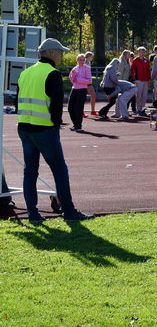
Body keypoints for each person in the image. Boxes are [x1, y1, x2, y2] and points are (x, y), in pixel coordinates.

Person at [14, 38, 92, 224]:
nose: (62, 54)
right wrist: (56, 125)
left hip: (24, 127)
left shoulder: (25, 73)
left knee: (30, 172)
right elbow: (56, 105)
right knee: (59, 170)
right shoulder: (52, 73)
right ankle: (69, 211)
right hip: (44, 129)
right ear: (52, 53)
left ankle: (33, 214)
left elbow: (18, 101)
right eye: (60, 51)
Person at [67, 53, 92, 131]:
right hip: (74, 89)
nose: (82, 61)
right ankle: (75, 124)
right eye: (80, 60)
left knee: (78, 108)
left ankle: (78, 126)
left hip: (82, 90)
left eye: (83, 60)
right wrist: (73, 75)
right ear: (77, 60)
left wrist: (78, 80)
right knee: (70, 107)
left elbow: (89, 81)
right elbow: (71, 80)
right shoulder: (74, 68)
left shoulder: (87, 68)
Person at [131, 46, 151, 116]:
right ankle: (138, 109)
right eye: (140, 51)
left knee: (144, 95)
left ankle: (142, 109)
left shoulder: (147, 61)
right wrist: (134, 79)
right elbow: (132, 70)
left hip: (146, 80)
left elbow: (148, 71)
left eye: (143, 51)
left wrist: (149, 80)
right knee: (138, 95)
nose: (142, 53)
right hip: (138, 80)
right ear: (138, 52)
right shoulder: (135, 60)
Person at [84, 51, 98, 117]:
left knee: (93, 96)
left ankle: (92, 111)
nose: (92, 58)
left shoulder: (89, 62)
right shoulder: (83, 62)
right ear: (88, 57)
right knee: (82, 97)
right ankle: (81, 112)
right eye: (91, 57)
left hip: (88, 82)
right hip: (83, 82)